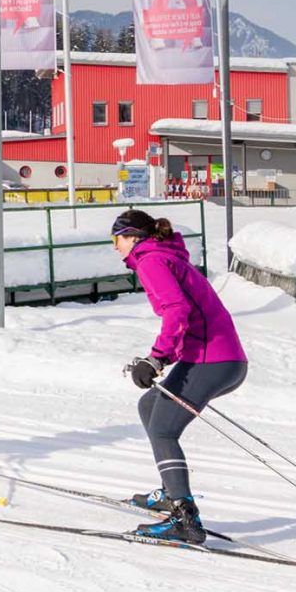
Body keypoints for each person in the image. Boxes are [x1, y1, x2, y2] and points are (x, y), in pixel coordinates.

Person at [111, 208, 246, 545]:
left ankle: (184, 517)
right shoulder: (163, 256)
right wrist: (160, 359)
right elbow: (185, 315)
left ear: (133, 237)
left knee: (163, 428)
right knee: (149, 405)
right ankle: (171, 492)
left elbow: (177, 311)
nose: (115, 247)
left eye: (117, 239)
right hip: (217, 357)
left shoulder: (151, 261)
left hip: (212, 359)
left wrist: (156, 358)